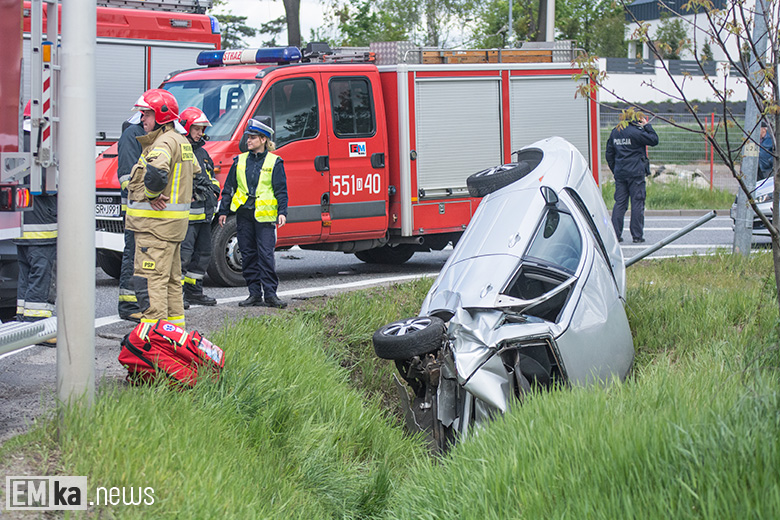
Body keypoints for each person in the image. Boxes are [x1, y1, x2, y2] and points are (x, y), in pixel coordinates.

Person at [125, 89, 200, 327]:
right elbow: (197, 172)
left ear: (160, 116)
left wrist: (152, 194)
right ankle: (175, 334)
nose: (142, 120)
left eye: (146, 114)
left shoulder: (163, 142)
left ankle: (153, 336)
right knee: (171, 281)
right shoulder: (181, 141)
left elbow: (156, 172)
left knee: (150, 281)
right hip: (172, 228)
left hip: (155, 228)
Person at [218, 118, 288, 308]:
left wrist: (282, 211)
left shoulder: (275, 162)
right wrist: (223, 211)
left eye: (253, 137)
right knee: (248, 255)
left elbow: (281, 189)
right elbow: (229, 188)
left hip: (264, 217)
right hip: (244, 214)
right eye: (248, 137)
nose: (248, 141)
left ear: (264, 139)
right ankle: (254, 293)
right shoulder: (239, 160)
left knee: (265, 255)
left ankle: (271, 294)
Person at [15, 101, 57, 345]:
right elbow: (49, 182)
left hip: (21, 224)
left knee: (26, 271)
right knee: (41, 272)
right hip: (41, 225)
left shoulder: (16, 140)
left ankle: (22, 318)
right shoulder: (40, 143)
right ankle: (36, 326)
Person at [178, 107, 221, 308]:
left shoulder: (202, 152)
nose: (200, 133)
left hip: (204, 215)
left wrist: (214, 190)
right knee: (182, 257)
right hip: (185, 217)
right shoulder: (179, 149)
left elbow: (211, 176)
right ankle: (176, 295)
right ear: (186, 127)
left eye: (202, 129)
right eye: (196, 128)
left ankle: (194, 292)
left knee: (203, 255)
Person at [606, 111, 659, 244]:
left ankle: (615, 235)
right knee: (637, 203)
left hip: (621, 174)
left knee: (620, 204)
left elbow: (609, 154)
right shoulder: (637, 132)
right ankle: (637, 236)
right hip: (636, 173)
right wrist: (647, 126)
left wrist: (615, 170)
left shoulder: (615, 132)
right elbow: (654, 140)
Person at [117, 110, 149, 322]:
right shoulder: (132, 135)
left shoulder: (148, 134)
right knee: (133, 255)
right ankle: (128, 304)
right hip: (136, 208)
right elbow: (129, 178)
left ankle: (139, 302)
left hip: (147, 208)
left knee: (143, 257)